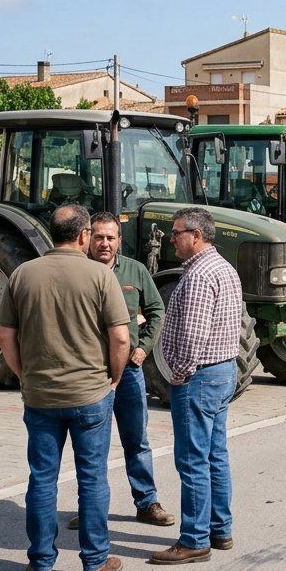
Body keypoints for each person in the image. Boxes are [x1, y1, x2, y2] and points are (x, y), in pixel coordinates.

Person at [0, 205, 129, 571]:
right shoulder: (100, 276)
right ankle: (95, 561)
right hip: (90, 394)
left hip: (40, 396)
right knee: (92, 478)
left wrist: (26, 375)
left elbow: (5, 335)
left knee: (41, 478)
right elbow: (120, 336)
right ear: (85, 235)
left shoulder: (23, 274)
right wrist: (113, 377)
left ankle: (41, 562)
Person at [67, 212, 176, 531]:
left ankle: (146, 502)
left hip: (128, 370)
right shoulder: (77, 271)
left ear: (119, 240)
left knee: (136, 439)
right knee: (90, 444)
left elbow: (157, 310)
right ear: (87, 238)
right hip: (90, 372)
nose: (104, 243)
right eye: (98, 237)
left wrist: (143, 348)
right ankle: (90, 507)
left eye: (110, 237)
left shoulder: (135, 271)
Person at [151, 208, 244, 566]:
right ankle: (220, 529)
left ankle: (193, 539)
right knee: (215, 455)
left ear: (196, 235)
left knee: (192, 460)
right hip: (221, 372)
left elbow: (193, 334)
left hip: (200, 376)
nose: (171, 239)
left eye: (176, 233)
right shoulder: (222, 267)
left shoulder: (200, 274)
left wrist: (180, 372)